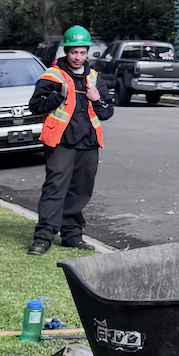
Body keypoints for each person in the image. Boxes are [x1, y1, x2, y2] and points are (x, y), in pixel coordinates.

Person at [27, 25, 113, 255]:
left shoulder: (94, 78)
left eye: (82, 52)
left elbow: (106, 112)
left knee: (81, 191)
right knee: (55, 189)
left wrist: (97, 99)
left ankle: (72, 235)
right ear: (66, 51)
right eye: (74, 52)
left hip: (88, 144)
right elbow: (34, 106)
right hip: (61, 143)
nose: (78, 57)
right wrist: (58, 95)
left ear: (87, 52)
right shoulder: (53, 76)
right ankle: (43, 237)